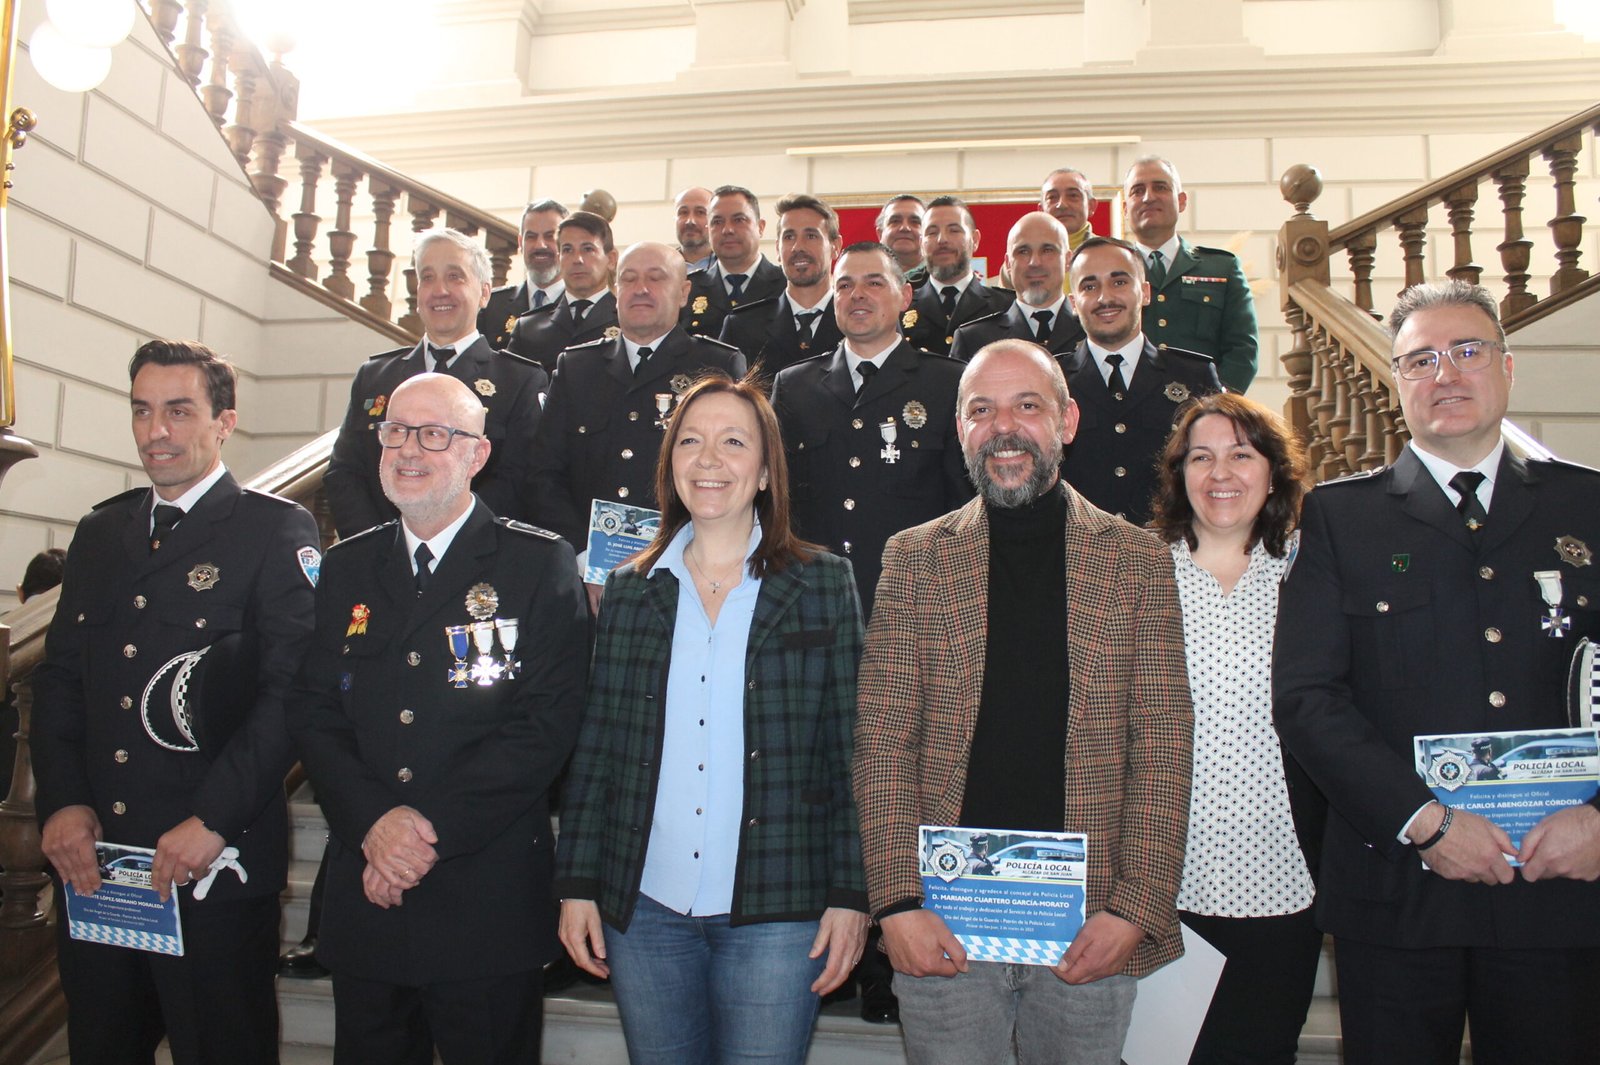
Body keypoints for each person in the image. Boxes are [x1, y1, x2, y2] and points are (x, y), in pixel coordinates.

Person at [1273, 280, 1600, 1065]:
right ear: (1397, 383)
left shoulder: (1585, 504)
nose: (1444, 373)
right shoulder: (1341, 517)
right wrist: (1427, 822)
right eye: (1420, 360)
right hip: (1400, 892)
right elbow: (1308, 699)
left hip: (1558, 885)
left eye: (1466, 351)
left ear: (1507, 367)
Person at [854, 338, 1194, 1065]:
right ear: (959, 428)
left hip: (1088, 925)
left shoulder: (1137, 560)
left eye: (1027, 406)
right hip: (945, 917)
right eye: (982, 410)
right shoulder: (913, 558)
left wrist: (1135, 906)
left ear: (1067, 421)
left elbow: (1163, 744)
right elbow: (883, 743)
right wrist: (897, 902)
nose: (1003, 427)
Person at [555, 373, 868, 1065]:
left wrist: (852, 894)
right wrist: (577, 884)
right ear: (669, 463)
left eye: (733, 442)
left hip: (779, 907)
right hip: (646, 907)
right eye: (690, 441)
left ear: (766, 470)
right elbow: (599, 742)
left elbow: (852, 747)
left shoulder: (823, 581)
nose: (708, 460)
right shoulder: (631, 588)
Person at [33, 339, 320, 1065]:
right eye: (142, 410)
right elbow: (60, 680)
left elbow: (289, 695)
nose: (155, 431)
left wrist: (214, 819)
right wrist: (63, 802)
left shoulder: (272, 530)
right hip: (100, 865)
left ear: (224, 422)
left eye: (179, 411)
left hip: (208, 865)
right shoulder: (102, 533)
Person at [289, 372, 589, 1065]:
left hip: (482, 901)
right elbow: (314, 708)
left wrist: (422, 835)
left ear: (477, 454)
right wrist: (375, 824)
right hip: (369, 893)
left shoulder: (537, 564)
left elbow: (546, 724)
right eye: (395, 431)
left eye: (433, 434)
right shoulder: (347, 567)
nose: (408, 449)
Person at [1149, 392, 1323, 1065]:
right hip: (1162, 878)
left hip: (1283, 875)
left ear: (1273, 472)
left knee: (1263, 1051)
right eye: (1201, 457)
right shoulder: (1139, 572)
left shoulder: (1311, 571)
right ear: (1180, 475)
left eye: (1241, 455)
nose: (1220, 473)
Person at [769, 240, 971, 623]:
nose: (857, 294)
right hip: (813, 601)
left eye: (874, 283)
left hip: (914, 602)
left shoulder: (948, 384)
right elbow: (776, 501)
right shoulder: (794, 386)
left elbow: (965, 505)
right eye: (844, 285)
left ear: (905, 296)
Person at [525, 241, 747, 570]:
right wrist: (585, 559)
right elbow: (544, 473)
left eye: (656, 278)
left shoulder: (717, 366)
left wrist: (677, 558)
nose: (641, 289)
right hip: (585, 570)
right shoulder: (577, 368)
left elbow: (731, 477)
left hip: (685, 568)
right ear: (615, 291)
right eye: (628, 279)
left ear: (683, 293)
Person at [325, 228, 548, 536]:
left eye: (455, 276)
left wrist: (447, 543)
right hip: (381, 553)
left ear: (485, 293)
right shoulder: (375, 376)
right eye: (427, 277)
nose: (440, 290)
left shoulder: (520, 381)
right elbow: (345, 473)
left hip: (477, 552)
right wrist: (384, 544)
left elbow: (518, 479)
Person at [1059, 235, 1222, 525]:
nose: (1105, 298)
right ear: (1073, 302)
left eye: (1119, 282)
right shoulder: (1051, 380)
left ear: (1145, 292)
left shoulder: (1194, 377)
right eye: (1089, 286)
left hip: (1172, 544)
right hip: (1078, 546)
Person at [1123, 156, 1259, 394]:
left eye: (1160, 187)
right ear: (1125, 208)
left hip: (1202, 404)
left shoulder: (1222, 268)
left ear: (1182, 201)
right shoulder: (1110, 273)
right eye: (1138, 190)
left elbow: (1242, 351)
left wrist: (1216, 405)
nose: (1148, 197)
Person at [719, 193, 844, 378]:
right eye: (789, 236)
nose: (798, 247)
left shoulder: (856, 321)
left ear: (836, 246)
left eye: (811, 236)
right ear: (777, 249)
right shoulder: (742, 327)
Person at [951, 211, 1085, 361]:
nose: (1035, 262)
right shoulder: (973, 339)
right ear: (1008, 264)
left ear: (1067, 260)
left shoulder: (1091, 330)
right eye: (1023, 252)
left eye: (1047, 250)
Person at [508, 210, 620, 373]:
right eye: (567, 250)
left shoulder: (628, 323)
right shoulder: (528, 328)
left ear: (611, 259)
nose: (577, 259)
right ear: (559, 258)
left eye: (588, 249)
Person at [902, 195, 1014, 356]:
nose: (942, 240)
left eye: (954, 230)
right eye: (932, 232)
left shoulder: (1007, 306)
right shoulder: (900, 307)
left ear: (975, 240)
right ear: (921, 244)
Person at [682, 185, 786, 337]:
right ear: (709, 230)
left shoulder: (785, 286)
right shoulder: (687, 289)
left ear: (760, 227)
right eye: (717, 222)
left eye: (738, 220)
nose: (727, 230)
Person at [479, 198, 569, 350]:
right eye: (531, 237)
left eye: (550, 236)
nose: (540, 245)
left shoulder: (580, 307)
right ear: (520, 242)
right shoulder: (491, 306)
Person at [1040, 168, 1097, 252]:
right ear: (1041, 210)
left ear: (1091, 206)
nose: (1062, 205)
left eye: (1073, 195)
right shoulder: (1027, 255)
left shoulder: (1110, 253)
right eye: (1052, 197)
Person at [876, 194, 928, 285]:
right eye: (895, 221)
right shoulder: (864, 277)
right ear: (880, 234)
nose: (905, 228)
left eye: (915, 222)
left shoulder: (943, 279)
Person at [674, 185, 715, 271]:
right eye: (683, 212)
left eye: (700, 212)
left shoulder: (729, 267)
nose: (690, 221)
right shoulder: (661, 267)